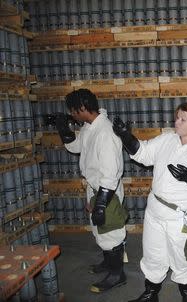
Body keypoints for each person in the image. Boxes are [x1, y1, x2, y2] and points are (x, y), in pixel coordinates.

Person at [113, 102, 187, 302]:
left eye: (183, 119)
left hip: (182, 218)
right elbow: (143, 153)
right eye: (177, 117)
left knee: (184, 259)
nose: (177, 122)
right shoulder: (167, 140)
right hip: (155, 212)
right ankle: (150, 294)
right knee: (152, 255)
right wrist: (125, 136)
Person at [55, 89, 127, 293]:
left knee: (111, 232)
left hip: (107, 190)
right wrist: (63, 129)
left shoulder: (105, 132)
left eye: (72, 111)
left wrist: (102, 203)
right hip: (95, 188)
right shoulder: (89, 126)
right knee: (99, 230)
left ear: (83, 108)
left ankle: (117, 274)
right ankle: (108, 263)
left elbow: (111, 174)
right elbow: (77, 146)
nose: (72, 114)